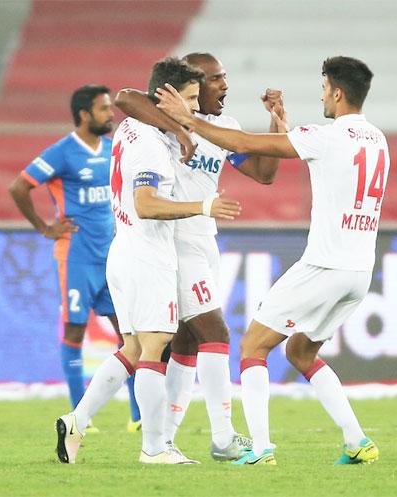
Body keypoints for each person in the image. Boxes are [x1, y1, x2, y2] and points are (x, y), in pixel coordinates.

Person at [156, 55, 388, 465]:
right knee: (301, 352)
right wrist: (281, 122)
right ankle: (357, 441)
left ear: (336, 92)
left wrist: (185, 118)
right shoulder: (378, 140)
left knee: (252, 346)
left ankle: (261, 449)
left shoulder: (328, 136)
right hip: (359, 271)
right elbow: (267, 162)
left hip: (325, 265)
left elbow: (245, 146)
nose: (322, 97)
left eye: (322, 90)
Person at [55, 57, 241, 465]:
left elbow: (131, 101)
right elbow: (146, 204)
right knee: (156, 348)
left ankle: (77, 419)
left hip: (123, 252)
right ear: (166, 97)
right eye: (189, 98)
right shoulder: (153, 146)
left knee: (135, 349)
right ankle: (155, 448)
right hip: (149, 255)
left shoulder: (130, 128)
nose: (192, 107)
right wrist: (203, 204)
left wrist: (178, 126)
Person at [115, 52, 285, 461]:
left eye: (225, 77)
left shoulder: (222, 127)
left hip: (204, 240)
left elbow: (264, 174)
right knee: (215, 333)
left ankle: (163, 437)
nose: (224, 85)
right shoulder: (161, 122)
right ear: (180, 91)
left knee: (186, 342)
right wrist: (180, 126)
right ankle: (223, 437)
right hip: (174, 238)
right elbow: (125, 97)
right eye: (215, 79)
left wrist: (278, 124)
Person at [9, 85, 140, 431]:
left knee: (129, 335)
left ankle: (137, 417)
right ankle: (79, 413)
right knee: (75, 329)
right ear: (84, 114)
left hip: (111, 256)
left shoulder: (114, 151)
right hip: (77, 257)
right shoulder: (63, 152)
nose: (111, 114)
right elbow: (18, 187)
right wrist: (44, 227)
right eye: (103, 109)